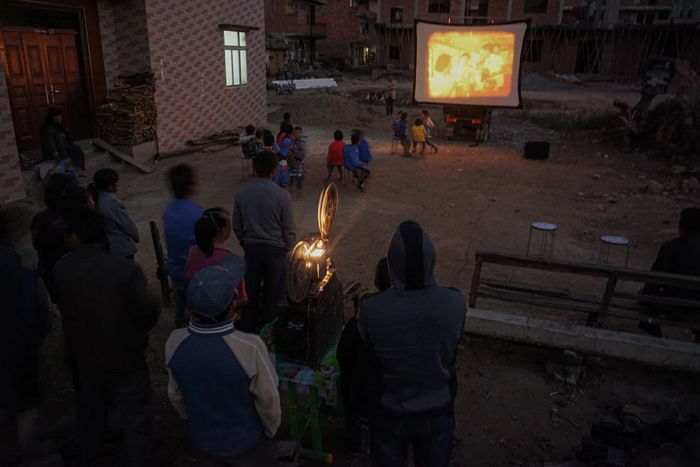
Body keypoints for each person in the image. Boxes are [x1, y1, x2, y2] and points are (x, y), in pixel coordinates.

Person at [53, 211, 159, 467]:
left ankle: (90, 455)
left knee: (92, 414)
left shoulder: (62, 269)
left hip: (85, 358)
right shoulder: (124, 270)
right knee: (136, 422)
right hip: (125, 359)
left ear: (75, 237)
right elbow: (146, 313)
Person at [358, 221, 467, 467]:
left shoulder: (371, 309)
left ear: (392, 262)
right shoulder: (455, 303)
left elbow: (368, 348)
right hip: (437, 409)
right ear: (432, 260)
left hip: (390, 411)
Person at [166, 256, 281, 466]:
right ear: (232, 308)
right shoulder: (250, 346)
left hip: (203, 441)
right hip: (247, 443)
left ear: (189, 309)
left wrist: (197, 421)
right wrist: (270, 431)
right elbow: (269, 401)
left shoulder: (174, 343)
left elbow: (176, 396)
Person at [0, 206, 50, 466]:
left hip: (12, 348)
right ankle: (27, 455)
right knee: (22, 406)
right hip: (16, 353)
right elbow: (39, 313)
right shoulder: (19, 264)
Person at [233, 151, 296, 332]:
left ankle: (249, 329)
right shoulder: (283, 196)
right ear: (274, 171)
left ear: (254, 169)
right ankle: (269, 330)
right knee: (273, 293)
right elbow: (289, 229)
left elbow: (236, 225)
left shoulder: (242, 194)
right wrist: (287, 248)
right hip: (275, 252)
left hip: (252, 250)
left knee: (250, 290)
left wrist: (245, 243)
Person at [337, 257, 390, 454]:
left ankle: (354, 439)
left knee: (349, 379)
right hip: (395, 389)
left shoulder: (368, 309)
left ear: (377, 281)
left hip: (367, 388)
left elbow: (343, 353)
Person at [640, 207, 700, 338]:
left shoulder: (670, 247)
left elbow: (653, 282)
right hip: (697, 309)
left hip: (673, 307)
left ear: (682, 227)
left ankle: (654, 336)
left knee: (647, 298)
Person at [164, 164, 204, 327]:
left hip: (175, 269)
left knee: (180, 307)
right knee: (197, 311)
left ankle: (180, 327)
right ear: (191, 187)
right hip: (194, 274)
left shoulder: (168, 211)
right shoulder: (197, 213)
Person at [185, 208, 248, 310]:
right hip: (221, 313)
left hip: (197, 309)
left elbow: (189, 278)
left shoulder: (193, 252)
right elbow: (242, 298)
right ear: (223, 231)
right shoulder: (229, 258)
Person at [30, 173, 79, 303]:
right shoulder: (73, 217)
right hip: (71, 273)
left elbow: (35, 244)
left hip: (51, 270)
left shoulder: (40, 218)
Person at [89, 168, 139, 259]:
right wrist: (136, 236)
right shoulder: (112, 203)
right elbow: (127, 225)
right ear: (110, 186)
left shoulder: (94, 199)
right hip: (120, 247)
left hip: (104, 247)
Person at [40, 107, 86, 173]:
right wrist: (57, 155)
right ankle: (77, 170)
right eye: (60, 116)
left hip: (62, 146)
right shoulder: (47, 128)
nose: (61, 118)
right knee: (76, 151)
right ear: (53, 117)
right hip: (56, 151)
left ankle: (79, 169)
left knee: (77, 149)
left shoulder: (56, 125)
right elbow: (51, 144)